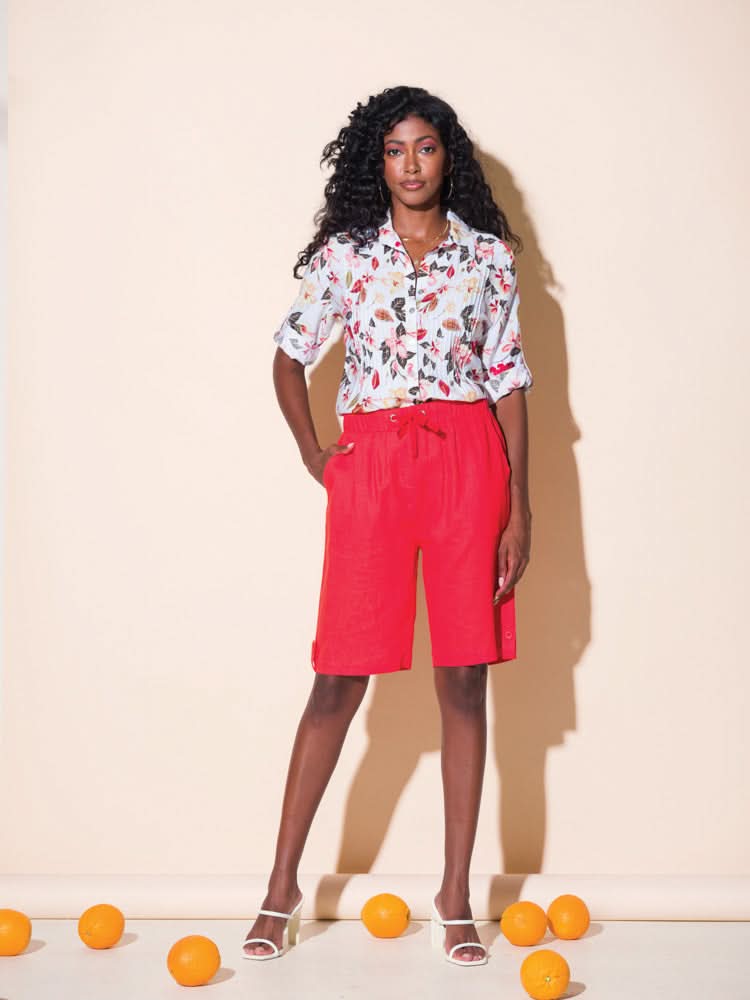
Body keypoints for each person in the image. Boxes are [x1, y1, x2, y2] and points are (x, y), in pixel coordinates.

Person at [243, 85, 533, 965]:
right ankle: (280, 888)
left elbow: (510, 377)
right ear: (378, 162)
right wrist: (313, 451)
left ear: (450, 158)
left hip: (467, 462)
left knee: (463, 680)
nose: (412, 164)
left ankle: (454, 895)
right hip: (372, 463)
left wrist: (520, 504)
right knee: (337, 679)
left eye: (427, 148)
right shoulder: (348, 256)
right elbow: (290, 356)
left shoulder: (488, 257)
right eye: (396, 150)